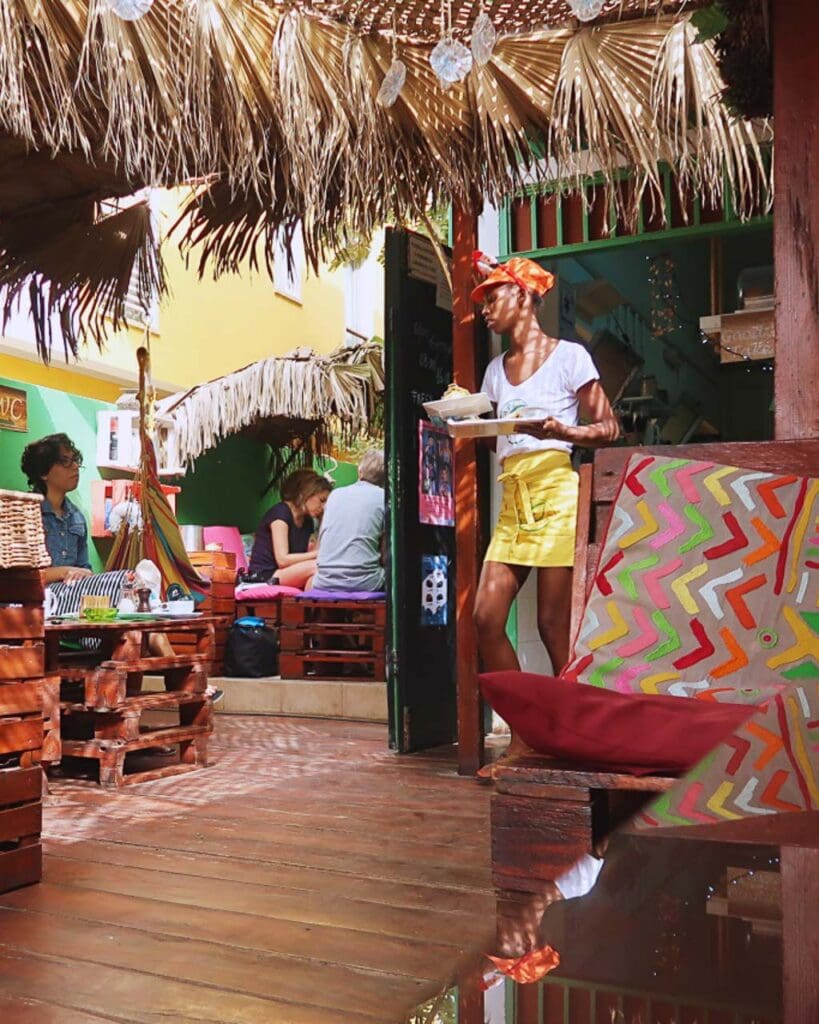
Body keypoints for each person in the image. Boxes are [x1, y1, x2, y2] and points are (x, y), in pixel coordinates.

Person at [471, 254, 619, 775]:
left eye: (493, 296)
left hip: (557, 491)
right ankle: (526, 736)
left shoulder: (570, 357)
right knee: (486, 617)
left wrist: (562, 432)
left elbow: (609, 429)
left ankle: (582, 739)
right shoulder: (493, 372)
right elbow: (498, 444)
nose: (486, 308)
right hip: (514, 497)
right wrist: (470, 426)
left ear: (525, 296)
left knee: (553, 625)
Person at [310, 449, 386, 593]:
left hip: (324, 580)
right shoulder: (384, 498)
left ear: (360, 472)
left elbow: (322, 542)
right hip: (366, 582)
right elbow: (386, 549)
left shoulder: (334, 495)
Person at [248, 468, 332, 588]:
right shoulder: (280, 513)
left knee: (314, 579)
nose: (323, 507)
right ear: (306, 494)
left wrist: (323, 521)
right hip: (264, 575)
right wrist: (319, 555)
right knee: (319, 567)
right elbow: (282, 560)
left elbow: (314, 554)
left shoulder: (307, 520)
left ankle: (310, 606)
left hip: (285, 572)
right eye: (321, 500)